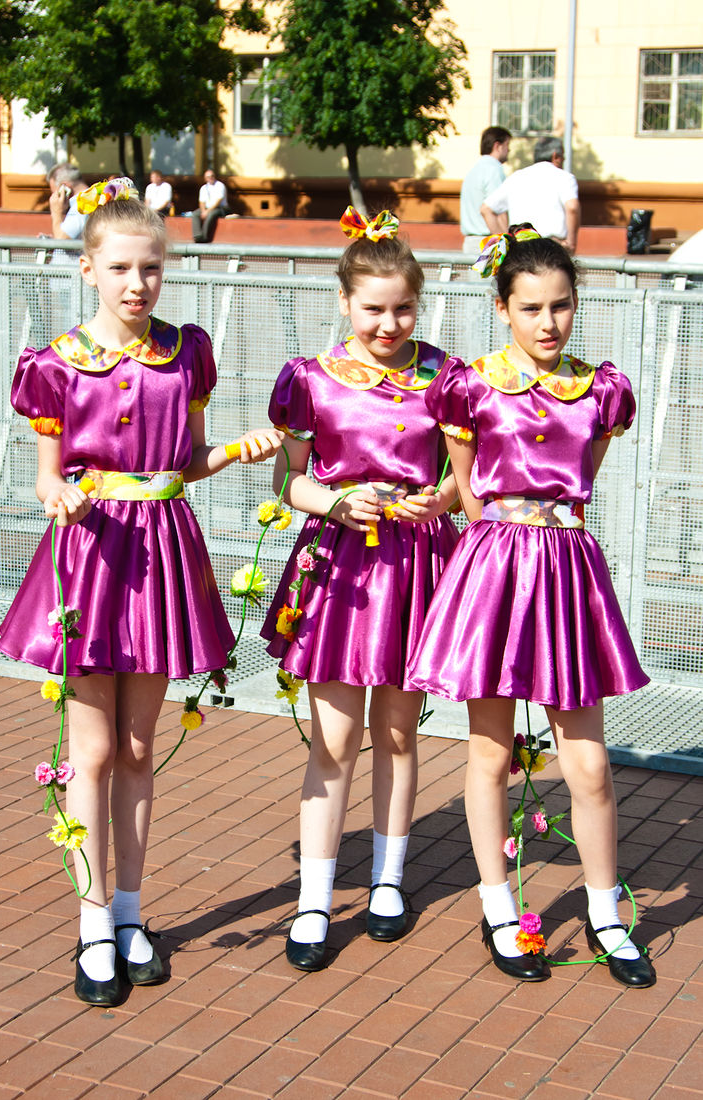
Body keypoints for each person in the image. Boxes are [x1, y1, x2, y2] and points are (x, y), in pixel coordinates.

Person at [0, 179, 282, 1007]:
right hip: (90, 555)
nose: (136, 284)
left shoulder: (186, 354)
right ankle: (91, 924)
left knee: (136, 747)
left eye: (150, 268)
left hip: (159, 555)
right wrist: (58, 494)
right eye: (120, 268)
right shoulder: (57, 363)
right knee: (90, 751)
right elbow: (48, 475)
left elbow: (184, 461)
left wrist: (233, 453)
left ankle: (129, 912)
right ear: (88, 268)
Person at [407, 226, 655, 987]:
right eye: (530, 308)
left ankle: (605, 913)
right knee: (489, 752)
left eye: (561, 306)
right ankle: (498, 907)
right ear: (501, 308)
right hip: (492, 569)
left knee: (589, 764)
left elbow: (578, 481)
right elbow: (469, 493)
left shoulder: (601, 390)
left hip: (567, 571)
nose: (548, 323)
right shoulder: (469, 385)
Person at [260, 207, 461, 971]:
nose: (388, 324)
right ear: (344, 301)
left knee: (400, 732)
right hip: (340, 570)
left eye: (402, 308)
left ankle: (386, 881)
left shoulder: (445, 377)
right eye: (373, 308)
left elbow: (463, 474)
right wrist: (337, 502)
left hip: (416, 567)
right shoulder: (309, 379)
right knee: (336, 740)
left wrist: (437, 501)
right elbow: (288, 480)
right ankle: (314, 899)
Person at [481, 136, 581, 253]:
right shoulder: (565, 178)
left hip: (521, 248)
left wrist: (506, 244)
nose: (564, 160)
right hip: (551, 248)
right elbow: (572, 207)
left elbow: (486, 209)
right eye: (563, 156)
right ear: (555, 156)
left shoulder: (516, 177)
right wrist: (571, 243)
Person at [460, 126, 512, 254]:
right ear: (497, 146)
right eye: (507, 145)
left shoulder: (474, 169)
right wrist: (507, 243)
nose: (509, 150)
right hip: (489, 242)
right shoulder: (494, 170)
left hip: (471, 242)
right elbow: (497, 210)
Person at [48, 162, 88, 241]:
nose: (55, 198)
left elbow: (62, 240)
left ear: (65, 188)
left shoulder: (81, 204)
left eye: (55, 193)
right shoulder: (91, 197)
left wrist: (56, 212)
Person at [192, 168, 230, 242]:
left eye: (212, 176)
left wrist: (207, 211)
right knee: (195, 214)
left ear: (214, 176)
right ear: (205, 179)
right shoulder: (203, 188)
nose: (210, 178)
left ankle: (204, 237)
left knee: (211, 214)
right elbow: (201, 201)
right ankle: (197, 235)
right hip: (207, 208)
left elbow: (218, 201)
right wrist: (203, 211)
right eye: (208, 177)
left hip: (221, 208)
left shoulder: (220, 186)